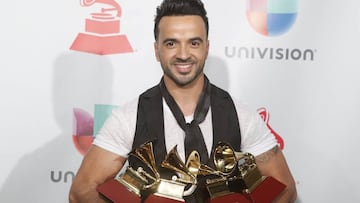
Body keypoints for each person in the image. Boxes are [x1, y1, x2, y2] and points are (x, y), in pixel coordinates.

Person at [69, 0, 297, 202]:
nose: (183, 54)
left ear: (207, 48)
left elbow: (285, 187)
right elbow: (81, 191)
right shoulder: (129, 117)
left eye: (194, 43)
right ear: (157, 50)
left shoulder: (241, 115)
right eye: (171, 43)